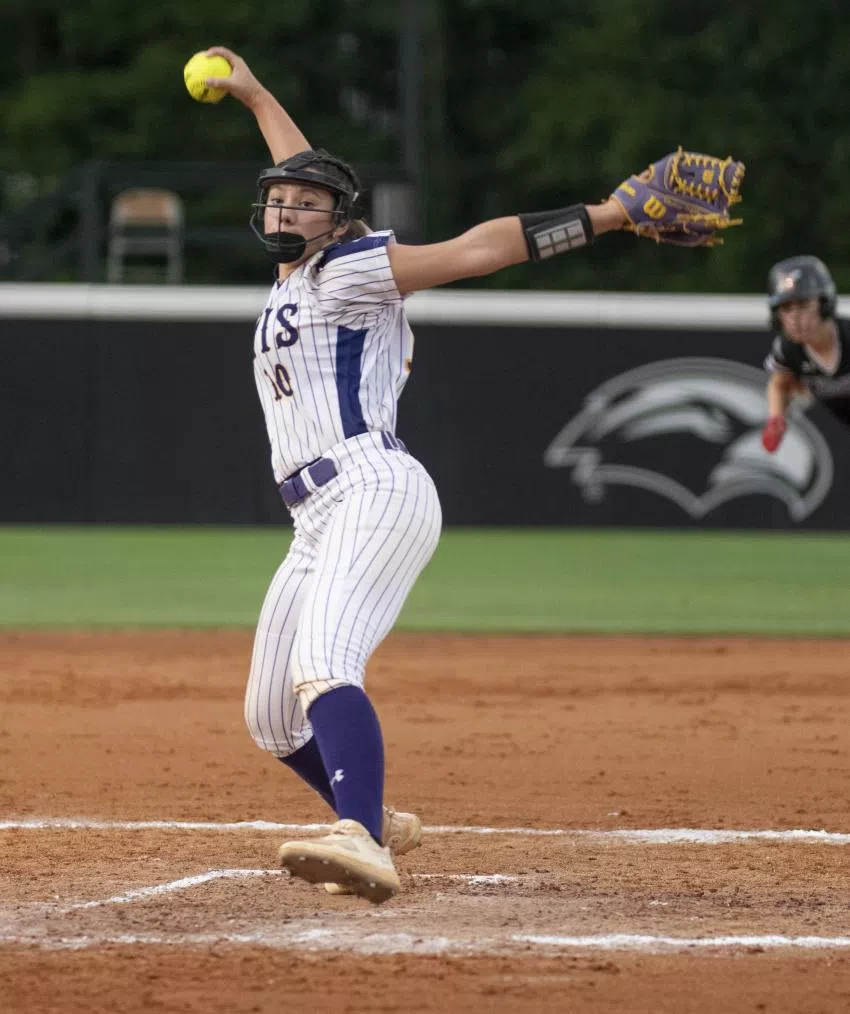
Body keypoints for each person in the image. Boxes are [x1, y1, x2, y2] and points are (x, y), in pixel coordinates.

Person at [200, 46, 743, 904]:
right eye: (279, 198)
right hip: (314, 516)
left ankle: (361, 839)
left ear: (336, 224)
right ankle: (373, 817)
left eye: (305, 205)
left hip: (371, 488)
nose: (287, 208)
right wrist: (256, 93)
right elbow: (305, 173)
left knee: (325, 660)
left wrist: (606, 215)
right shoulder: (297, 276)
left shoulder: (345, 271)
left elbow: (475, 251)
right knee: (270, 716)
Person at [762, 255, 850, 453]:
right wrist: (776, 420)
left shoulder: (847, 337)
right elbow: (779, 384)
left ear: (824, 304)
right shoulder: (788, 350)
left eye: (803, 305)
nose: (795, 318)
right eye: (786, 308)